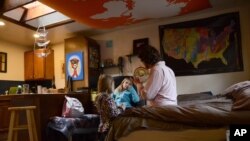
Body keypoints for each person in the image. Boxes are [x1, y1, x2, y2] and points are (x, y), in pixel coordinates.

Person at [95, 74, 125, 141]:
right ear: (109, 85)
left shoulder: (99, 97)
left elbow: (107, 110)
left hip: (101, 128)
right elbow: (113, 113)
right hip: (109, 129)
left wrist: (116, 107)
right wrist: (121, 108)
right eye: (113, 85)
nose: (114, 87)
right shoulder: (107, 98)